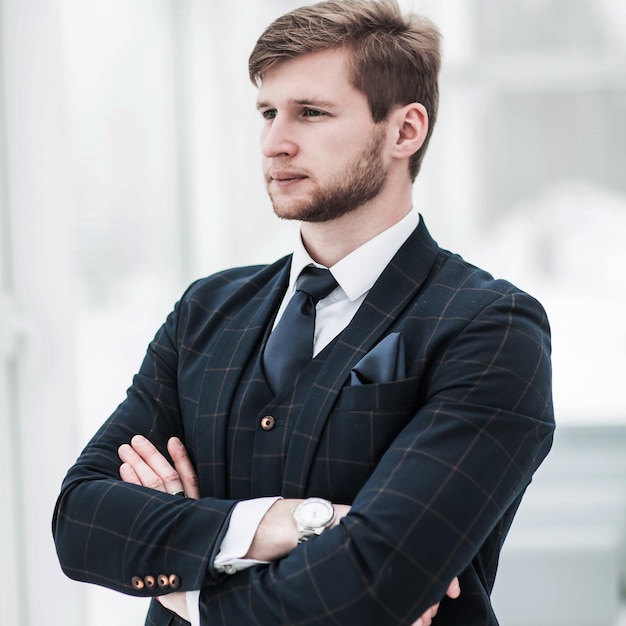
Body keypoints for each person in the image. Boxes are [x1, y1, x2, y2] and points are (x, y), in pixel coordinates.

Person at [52, 1, 555, 624]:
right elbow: (80, 519)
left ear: (404, 131)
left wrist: (183, 577)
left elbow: (379, 580)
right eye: (268, 113)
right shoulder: (206, 310)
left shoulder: (493, 326)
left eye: (310, 113)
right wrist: (297, 524)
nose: (274, 142)